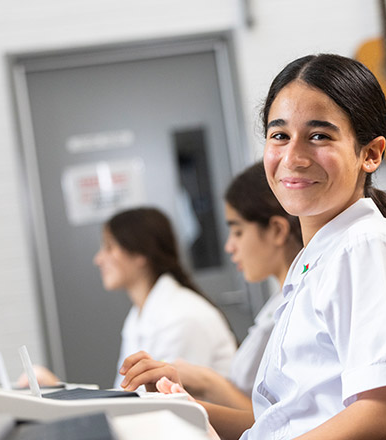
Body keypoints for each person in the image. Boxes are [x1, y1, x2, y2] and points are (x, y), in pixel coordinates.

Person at [120, 54, 386, 439]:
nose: (294, 157)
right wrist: (184, 410)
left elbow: (385, 419)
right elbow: (286, 424)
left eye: (319, 136)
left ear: (371, 153)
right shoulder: (324, 256)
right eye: (279, 135)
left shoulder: (366, 248)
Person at [121, 162, 303, 410]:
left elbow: (280, 422)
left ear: (277, 230)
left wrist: (206, 383)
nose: (230, 246)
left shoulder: (301, 306)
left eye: (237, 232)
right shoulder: (278, 304)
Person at [97, 207, 237, 388]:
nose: (99, 259)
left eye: (109, 247)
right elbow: (125, 391)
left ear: (140, 253)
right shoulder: (139, 315)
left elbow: (163, 401)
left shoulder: (181, 316)